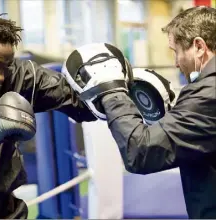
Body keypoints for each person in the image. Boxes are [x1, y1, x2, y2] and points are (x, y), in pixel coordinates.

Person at [62, 6, 216, 219]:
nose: (175, 62)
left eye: (176, 51)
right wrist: (174, 118)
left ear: (199, 46)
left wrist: (112, 90)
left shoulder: (208, 94)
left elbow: (141, 152)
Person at [0, 12, 96, 218]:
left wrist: (116, 96)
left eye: (6, 66)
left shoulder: (18, 75)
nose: (0, 76)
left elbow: (77, 98)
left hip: (6, 209)